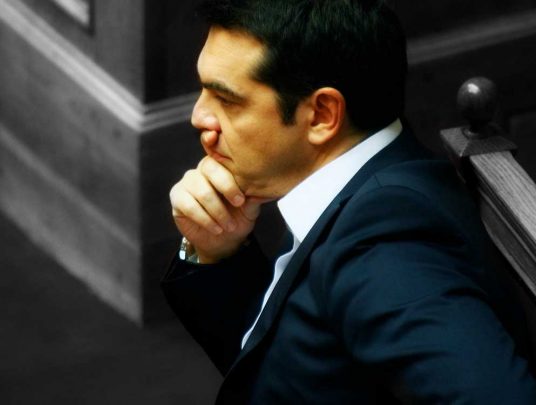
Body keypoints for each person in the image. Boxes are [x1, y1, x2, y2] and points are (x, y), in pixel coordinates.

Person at [160, 0, 536, 403]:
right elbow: (281, 367)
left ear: (323, 114)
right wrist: (215, 251)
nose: (199, 116)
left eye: (227, 100)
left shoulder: (386, 248)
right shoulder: (352, 180)